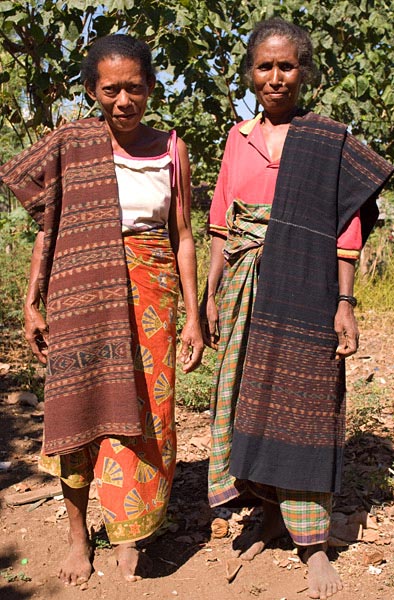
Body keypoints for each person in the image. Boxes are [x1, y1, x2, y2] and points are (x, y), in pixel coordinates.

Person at [201, 17, 394, 600]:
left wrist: (345, 302)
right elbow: (219, 224)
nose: (276, 77)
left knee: (305, 402)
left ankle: (312, 544)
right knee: (245, 399)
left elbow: (347, 229)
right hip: (243, 285)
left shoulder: (329, 139)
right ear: (251, 73)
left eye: (288, 66)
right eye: (265, 66)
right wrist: (208, 297)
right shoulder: (239, 138)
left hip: (308, 288)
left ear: (304, 72)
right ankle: (264, 511)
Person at [0, 34, 203, 585]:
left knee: (146, 414)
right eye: (110, 89)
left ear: (151, 87)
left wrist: (194, 315)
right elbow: (48, 228)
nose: (123, 100)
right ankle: (76, 538)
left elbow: (182, 235)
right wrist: (31, 299)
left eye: (134, 88)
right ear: (92, 90)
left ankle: (130, 533)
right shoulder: (71, 144)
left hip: (152, 294)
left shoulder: (171, 149)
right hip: (81, 293)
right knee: (78, 411)